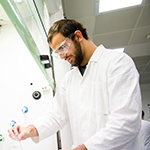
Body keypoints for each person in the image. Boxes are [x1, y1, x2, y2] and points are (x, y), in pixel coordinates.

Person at [8, 19, 142, 150]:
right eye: (58, 52)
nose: (62, 56)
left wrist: (84, 148)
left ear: (78, 36)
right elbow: (56, 116)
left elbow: (126, 122)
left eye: (63, 48)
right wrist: (28, 130)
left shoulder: (117, 63)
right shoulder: (69, 80)